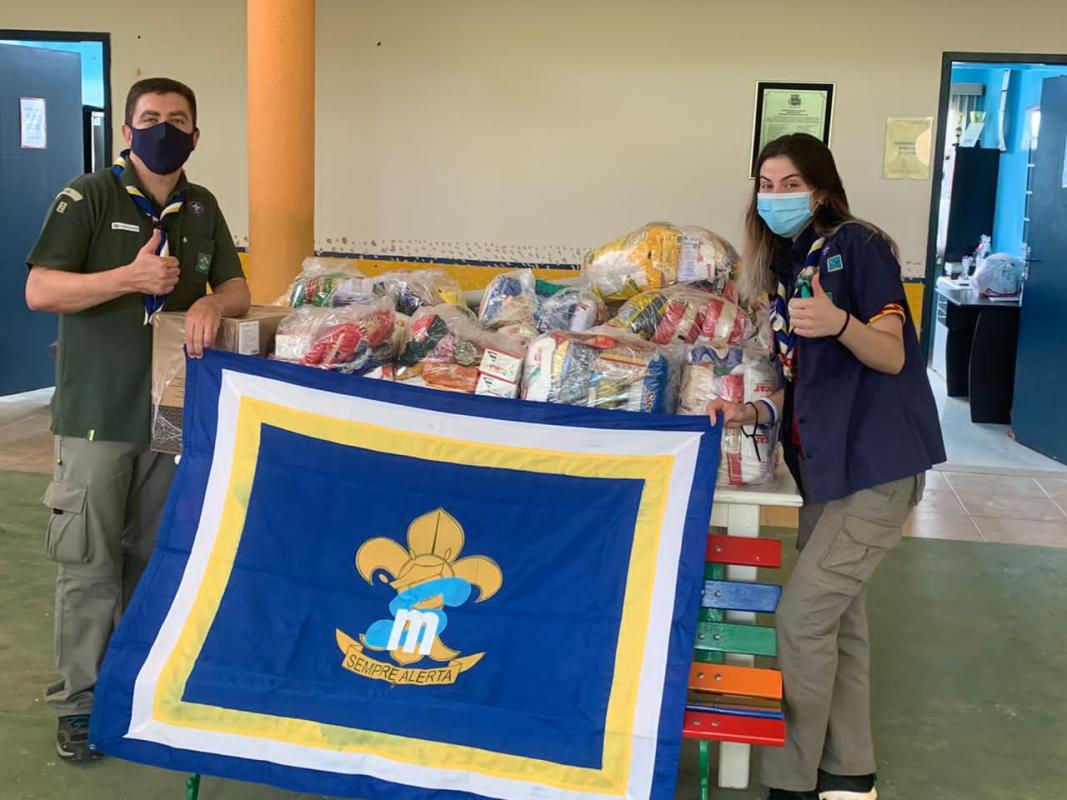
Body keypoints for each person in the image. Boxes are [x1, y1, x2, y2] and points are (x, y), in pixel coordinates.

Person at [708, 133, 945, 800]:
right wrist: (752, 412)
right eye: (766, 184)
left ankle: (791, 783)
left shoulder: (858, 247)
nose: (775, 196)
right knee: (839, 624)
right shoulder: (786, 267)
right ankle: (849, 772)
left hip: (875, 469)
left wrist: (839, 323)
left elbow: (891, 355)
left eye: (790, 184)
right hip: (824, 470)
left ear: (820, 189)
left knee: (802, 620)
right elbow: (798, 379)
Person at [24, 77, 250, 763]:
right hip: (97, 414)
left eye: (177, 120)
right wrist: (127, 278)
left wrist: (213, 304)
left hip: (168, 417)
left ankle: (131, 686)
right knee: (88, 564)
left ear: (195, 136)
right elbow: (40, 289)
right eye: (150, 118)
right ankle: (80, 702)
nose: (163, 129)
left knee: (151, 559)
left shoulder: (201, 206)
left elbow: (236, 285)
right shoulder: (89, 196)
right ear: (126, 131)